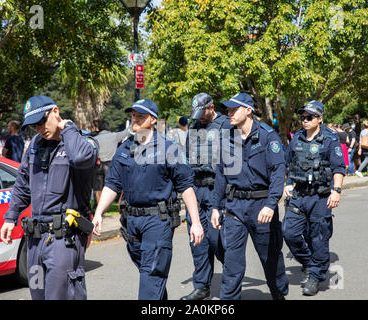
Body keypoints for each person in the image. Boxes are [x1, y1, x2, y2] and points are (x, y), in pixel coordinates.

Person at [92, 99, 204, 300]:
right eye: (133, 115)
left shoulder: (169, 148)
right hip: (131, 223)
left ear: (153, 120)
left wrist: (195, 222)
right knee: (150, 276)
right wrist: (99, 213)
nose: (135, 119)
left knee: (151, 277)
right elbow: (112, 184)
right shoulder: (125, 148)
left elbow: (186, 187)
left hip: (157, 221)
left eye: (140, 116)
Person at [0, 95, 99, 300]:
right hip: (35, 242)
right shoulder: (35, 145)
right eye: (33, 125)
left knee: (60, 296)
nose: (39, 129)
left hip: (63, 240)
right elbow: (23, 183)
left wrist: (68, 128)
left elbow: (81, 158)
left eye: (41, 122)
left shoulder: (81, 141)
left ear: (55, 111)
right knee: (38, 294)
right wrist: (11, 217)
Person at [211, 93, 289, 300]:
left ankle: (279, 294)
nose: (229, 113)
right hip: (235, 207)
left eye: (233, 109)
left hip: (261, 206)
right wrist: (215, 207)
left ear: (248, 110)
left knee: (269, 258)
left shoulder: (267, 136)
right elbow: (220, 174)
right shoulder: (227, 137)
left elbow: (278, 173)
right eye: (228, 110)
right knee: (232, 263)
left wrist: (271, 204)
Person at [282, 100, 345, 296]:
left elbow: (338, 168)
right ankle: (310, 263)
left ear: (319, 118)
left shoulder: (330, 139)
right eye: (302, 117)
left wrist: (336, 190)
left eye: (309, 117)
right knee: (289, 232)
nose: (304, 121)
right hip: (299, 195)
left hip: (321, 196)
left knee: (319, 237)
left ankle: (315, 276)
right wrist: (288, 184)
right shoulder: (297, 137)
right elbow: (288, 164)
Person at [180, 93, 231, 300]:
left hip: (216, 190)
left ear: (211, 107)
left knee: (217, 240)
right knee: (197, 240)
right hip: (196, 189)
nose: (199, 117)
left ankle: (232, 278)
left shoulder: (226, 125)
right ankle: (201, 286)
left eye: (202, 113)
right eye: (196, 114)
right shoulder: (194, 126)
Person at [93, 119, 131, 204]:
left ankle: (99, 207)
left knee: (98, 187)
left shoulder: (95, 139)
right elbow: (126, 132)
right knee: (110, 187)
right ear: (108, 127)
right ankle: (109, 204)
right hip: (110, 164)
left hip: (98, 164)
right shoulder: (114, 136)